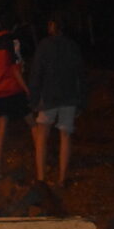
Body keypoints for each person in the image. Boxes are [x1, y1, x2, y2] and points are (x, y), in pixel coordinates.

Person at [29, 13, 85, 187]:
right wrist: (81, 101)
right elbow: (80, 75)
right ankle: (62, 178)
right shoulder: (73, 46)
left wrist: (34, 99)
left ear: (52, 26)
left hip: (49, 96)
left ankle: (41, 178)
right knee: (65, 135)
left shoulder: (44, 45)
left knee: (42, 135)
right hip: (69, 97)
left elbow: (37, 73)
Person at [0, 16, 31, 163]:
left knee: (1, 130)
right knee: (34, 125)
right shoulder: (13, 41)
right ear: (14, 27)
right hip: (14, 89)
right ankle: (41, 158)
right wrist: (27, 89)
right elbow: (16, 69)